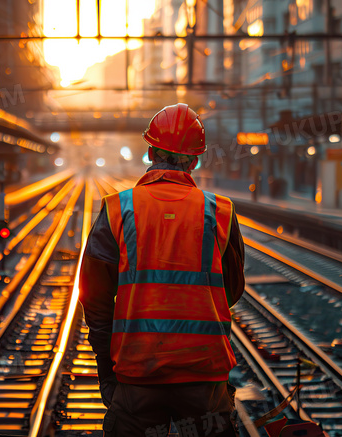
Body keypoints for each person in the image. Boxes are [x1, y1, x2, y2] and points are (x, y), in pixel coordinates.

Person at [79, 103, 245, 437]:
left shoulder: (117, 209)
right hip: (205, 377)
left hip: (138, 375)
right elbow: (232, 289)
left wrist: (106, 367)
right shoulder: (220, 212)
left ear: (151, 151)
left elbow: (94, 297)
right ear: (195, 160)